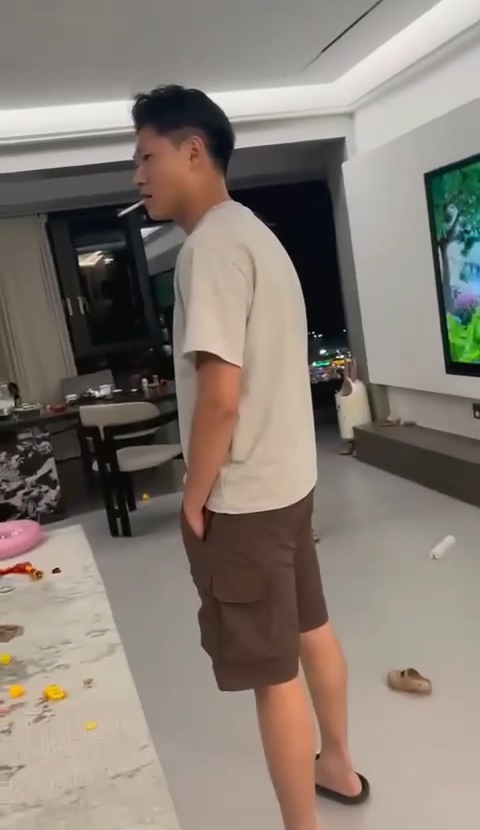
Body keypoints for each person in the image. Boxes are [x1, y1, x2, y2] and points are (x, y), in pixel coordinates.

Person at [132, 85, 369, 830]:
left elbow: (221, 397)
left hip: (245, 499)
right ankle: (338, 765)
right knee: (310, 628)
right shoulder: (258, 235)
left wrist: (193, 495)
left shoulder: (207, 250)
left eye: (146, 156)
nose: (137, 175)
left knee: (273, 677)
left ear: (192, 151)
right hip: (290, 483)